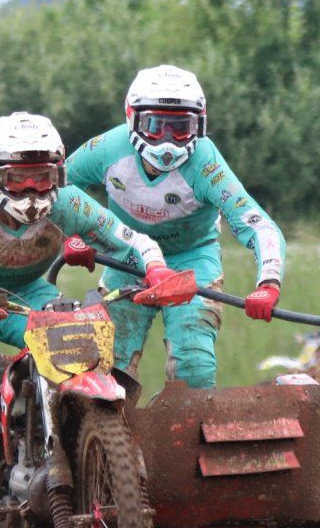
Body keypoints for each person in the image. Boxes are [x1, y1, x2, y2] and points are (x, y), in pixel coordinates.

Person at [0, 112, 195, 524]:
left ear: (59, 175)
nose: (32, 190)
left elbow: (132, 239)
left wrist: (156, 270)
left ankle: (77, 444)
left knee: (79, 344)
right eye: (18, 180)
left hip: (30, 294)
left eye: (43, 177)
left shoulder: (68, 204)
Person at [62, 65, 286, 389]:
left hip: (191, 260)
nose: (168, 142)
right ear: (132, 118)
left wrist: (269, 281)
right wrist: (74, 235)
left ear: (200, 125)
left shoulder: (206, 163)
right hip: (125, 259)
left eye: (181, 129)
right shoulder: (107, 149)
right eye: (155, 127)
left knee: (194, 363)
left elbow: (255, 221)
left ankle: (186, 431)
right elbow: (58, 188)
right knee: (107, 363)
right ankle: (107, 435)